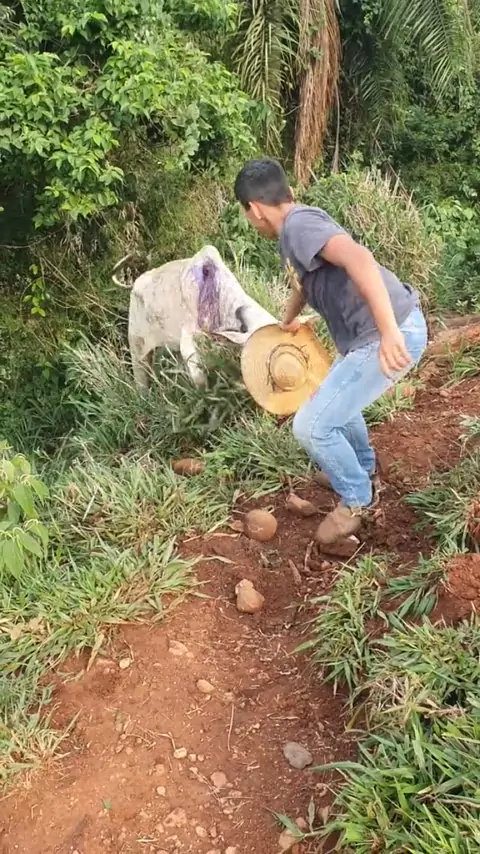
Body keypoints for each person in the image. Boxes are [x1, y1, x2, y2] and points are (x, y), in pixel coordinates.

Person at [234, 157, 428, 544]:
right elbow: (303, 283)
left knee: (311, 425)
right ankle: (363, 468)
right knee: (336, 402)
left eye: (246, 215)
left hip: (387, 332)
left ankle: (356, 500)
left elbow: (360, 259)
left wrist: (389, 332)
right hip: (366, 336)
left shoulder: (299, 226)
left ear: (253, 209)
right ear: (287, 192)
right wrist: (288, 321)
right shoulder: (293, 231)